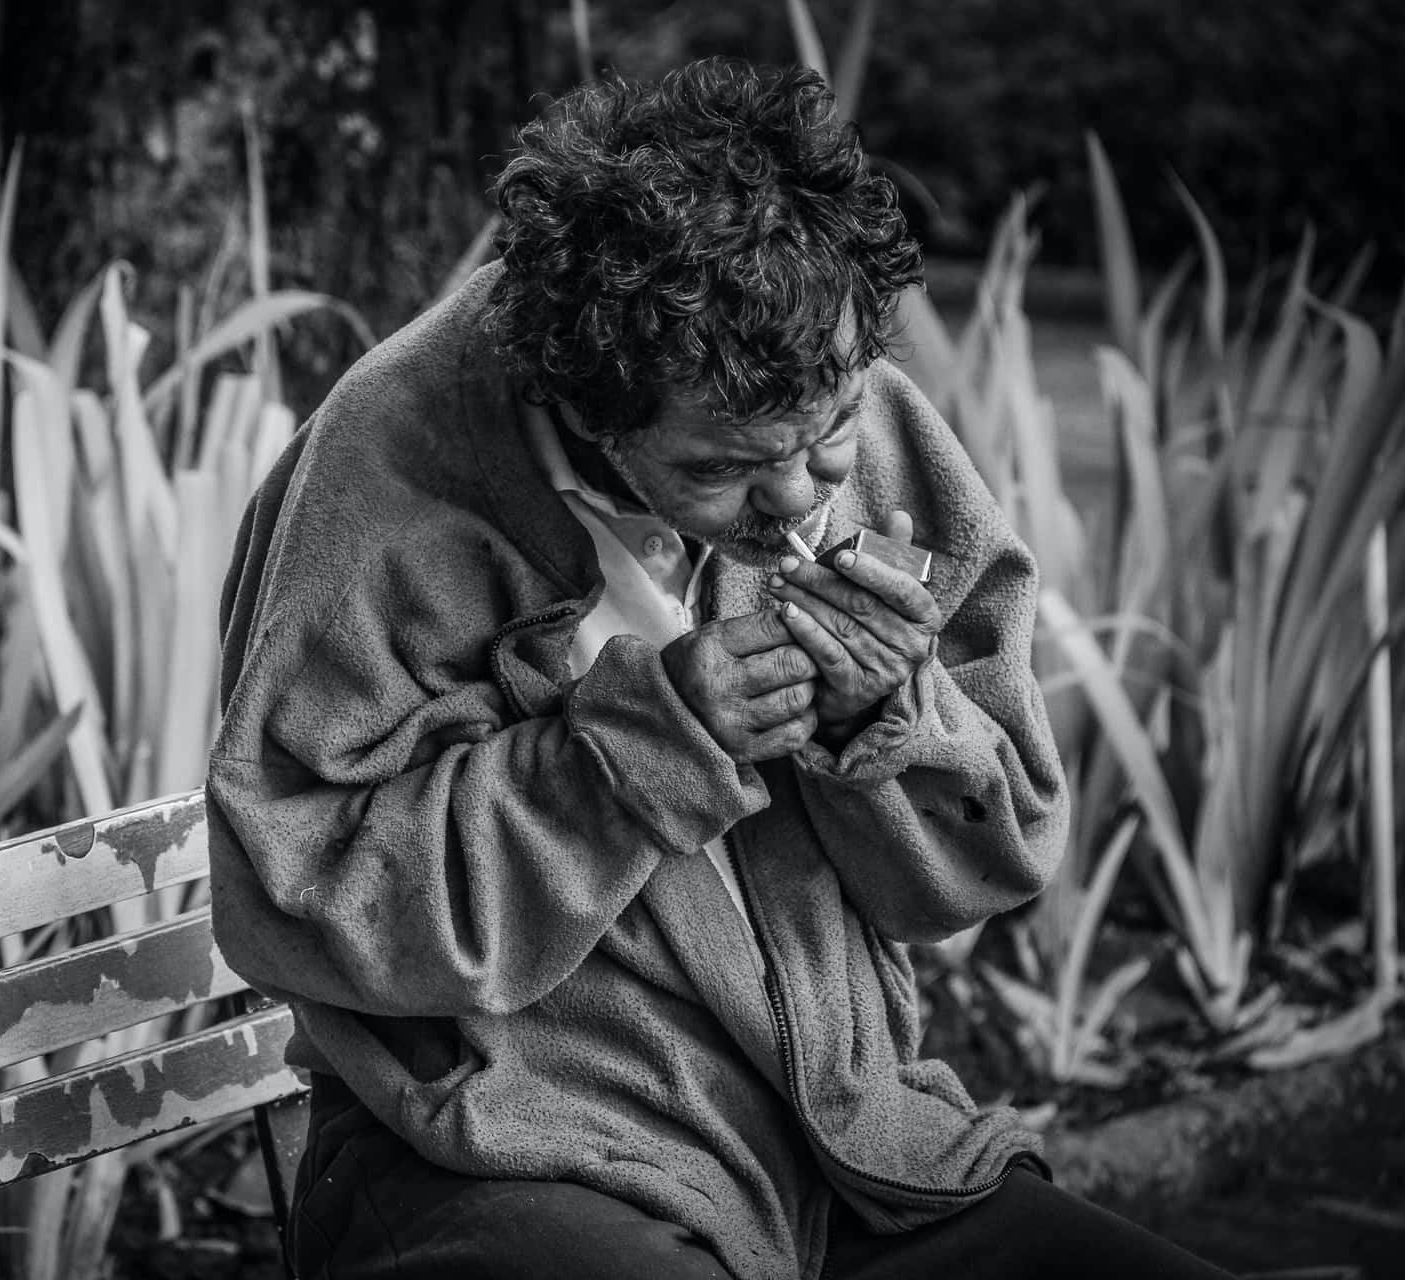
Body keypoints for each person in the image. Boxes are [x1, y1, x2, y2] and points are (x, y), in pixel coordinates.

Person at [206, 58, 1233, 1280]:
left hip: (848, 1138)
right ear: (588, 409)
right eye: (725, 468)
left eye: (835, 428)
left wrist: (887, 716)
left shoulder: (815, 380)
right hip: (499, 1157)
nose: (804, 497)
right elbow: (299, 895)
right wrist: (643, 747)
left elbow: (991, 853)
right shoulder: (383, 482)